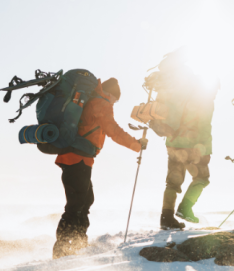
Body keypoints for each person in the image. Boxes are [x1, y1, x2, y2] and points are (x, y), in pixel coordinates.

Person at [53, 78, 147, 259]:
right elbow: (113, 130)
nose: (114, 103)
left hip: (75, 157)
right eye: (115, 99)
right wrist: (136, 145)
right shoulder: (101, 103)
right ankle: (63, 249)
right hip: (78, 158)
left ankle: (78, 243)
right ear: (110, 94)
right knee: (77, 204)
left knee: (85, 200)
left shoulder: (91, 100)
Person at [160, 77, 218, 230]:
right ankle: (185, 208)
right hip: (190, 146)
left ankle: (166, 218)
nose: (216, 93)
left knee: (172, 182)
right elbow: (204, 126)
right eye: (216, 89)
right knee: (202, 178)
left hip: (172, 143)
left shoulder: (182, 97)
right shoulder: (205, 100)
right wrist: (205, 151)